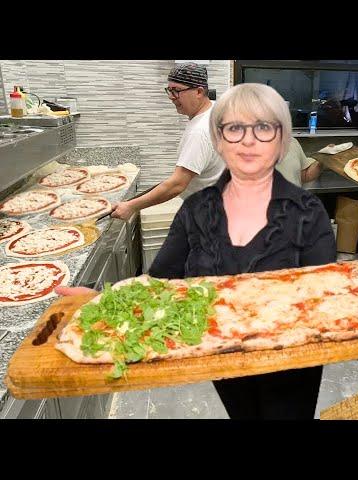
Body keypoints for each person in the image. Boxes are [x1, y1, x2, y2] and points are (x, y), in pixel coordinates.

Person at [58, 83, 337, 419]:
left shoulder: (308, 212)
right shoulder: (196, 210)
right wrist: (101, 301)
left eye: (263, 129)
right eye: (234, 129)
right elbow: (157, 284)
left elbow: (322, 295)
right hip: (221, 354)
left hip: (288, 360)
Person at [110, 62, 225, 221]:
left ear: (199, 91)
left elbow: (177, 184)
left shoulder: (200, 131)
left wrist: (131, 206)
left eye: (176, 91)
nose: (171, 97)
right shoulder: (215, 108)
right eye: (169, 90)